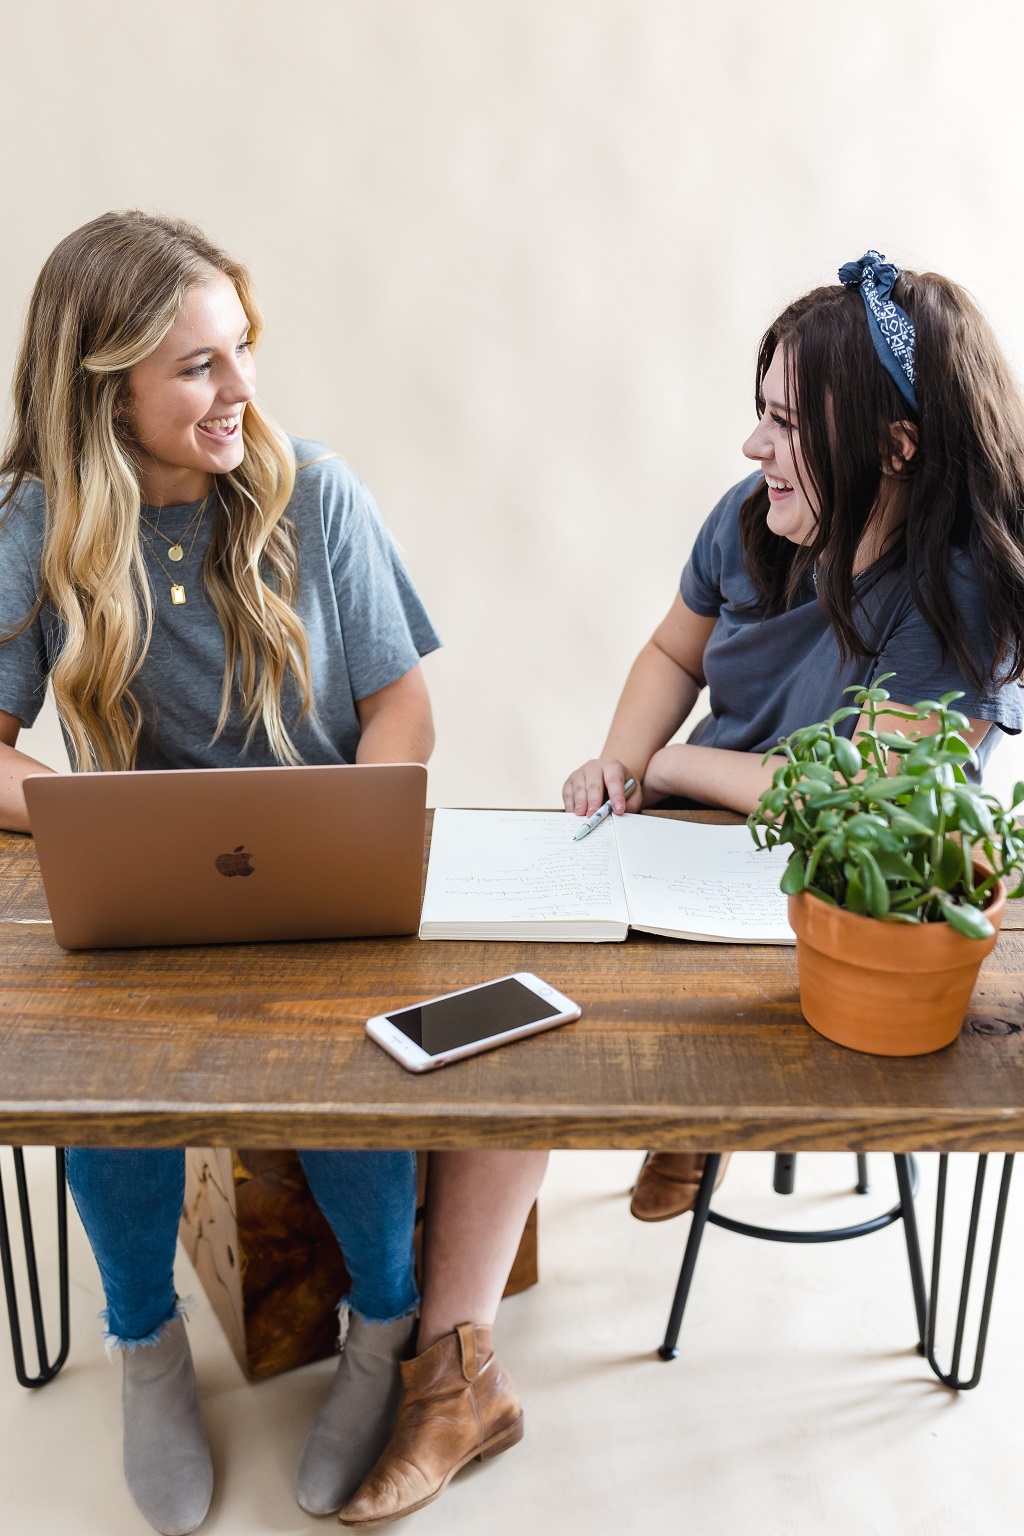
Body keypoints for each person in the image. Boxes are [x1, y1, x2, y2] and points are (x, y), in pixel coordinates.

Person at [0, 211, 543, 1535]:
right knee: (95, 1077)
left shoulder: (318, 493)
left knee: (349, 1064)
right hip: (148, 899)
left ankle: (382, 1330)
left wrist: (355, 820)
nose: (242, 388)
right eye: (198, 367)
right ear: (106, 387)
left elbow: (402, 706)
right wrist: (73, 818)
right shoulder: (35, 522)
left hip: (322, 873)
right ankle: (146, 1348)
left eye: (240, 352)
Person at [563, 250, 1024, 1222]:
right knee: (554, 957)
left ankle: (702, 1111)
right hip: (700, 830)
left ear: (894, 448)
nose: (748, 446)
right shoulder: (748, 523)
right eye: (759, 410)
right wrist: (621, 755)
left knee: (701, 990)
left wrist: (675, 760)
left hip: (842, 889)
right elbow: (668, 653)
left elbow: (863, 803)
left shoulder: (959, 594)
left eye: (782, 422)